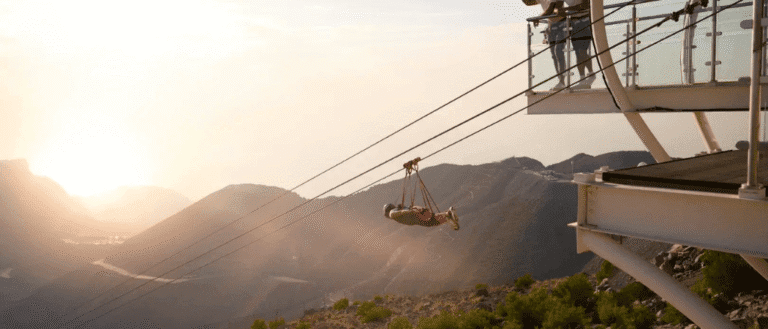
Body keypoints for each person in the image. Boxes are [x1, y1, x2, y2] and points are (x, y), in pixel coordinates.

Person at [524, 0, 568, 90]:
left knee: (558, 52)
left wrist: (539, 17)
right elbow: (528, 2)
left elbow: (552, 8)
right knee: (554, 55)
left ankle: (562, 81)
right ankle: (561, 80)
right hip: (551, 25)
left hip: (562, 23)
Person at [565, 0, 597, 89]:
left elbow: (585, 4)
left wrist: (565, 9)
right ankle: (582, 78)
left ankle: (591, 74)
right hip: (574, 22)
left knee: (582, 51)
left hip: (585, 21)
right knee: (578, 53)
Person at [383, 203, 459, 230]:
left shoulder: (391, 213)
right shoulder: (397, 209)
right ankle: (448, 215)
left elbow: (402, 212)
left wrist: (410, 211)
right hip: (416, 212)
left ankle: (448, 217)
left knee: (431, 222)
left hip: (415, 216)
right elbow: (404, 210)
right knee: (432, 218)